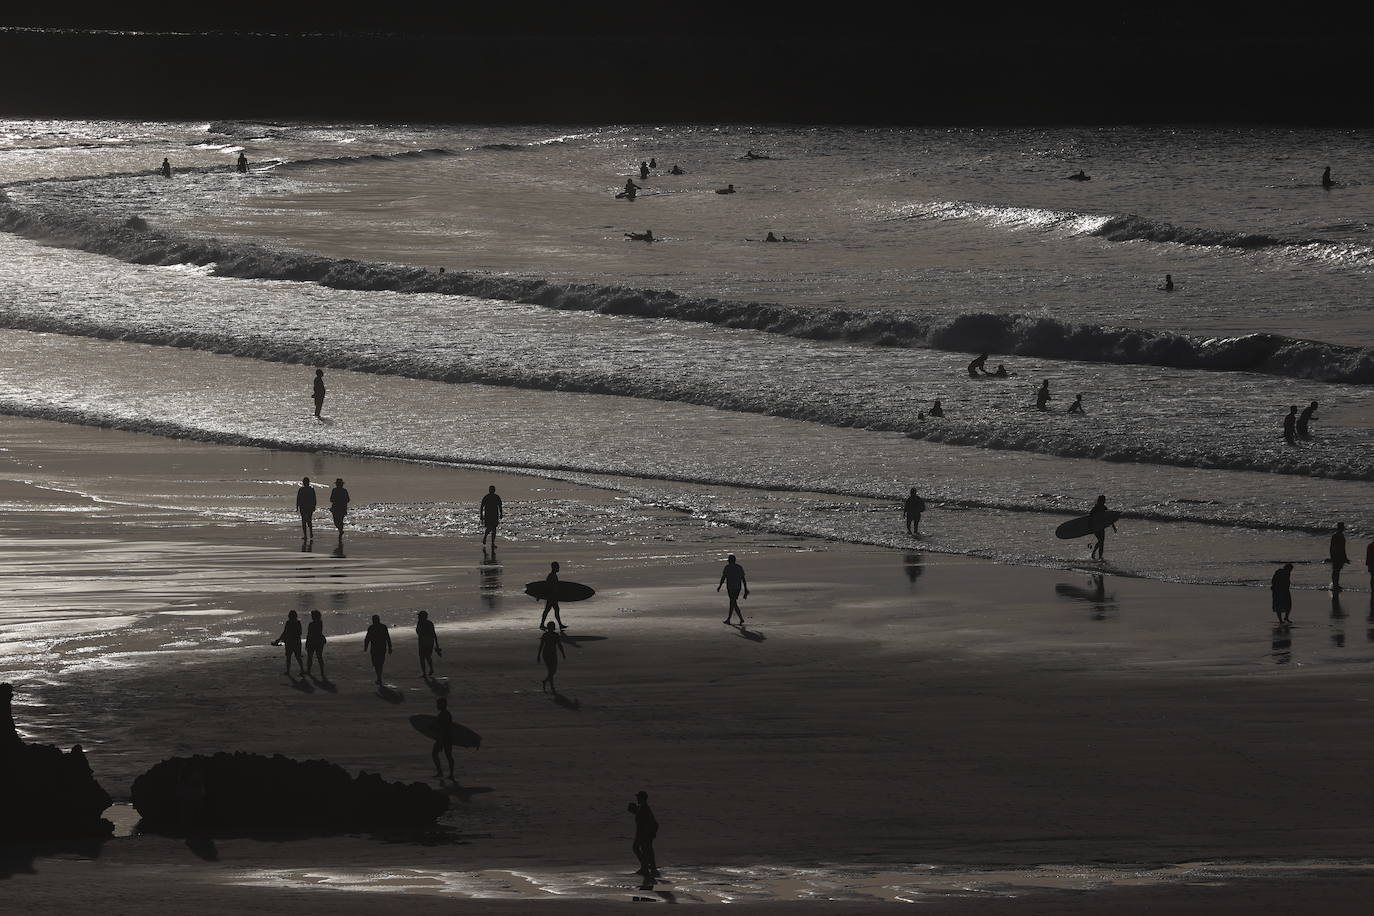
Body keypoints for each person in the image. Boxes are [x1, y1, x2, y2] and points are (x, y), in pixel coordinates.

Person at [629, 790, 659, 877]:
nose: (637, 798)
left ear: (642, 798)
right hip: (646, 833)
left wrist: (642, 835)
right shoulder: (643, 807)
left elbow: (643, 822)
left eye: (638, 797)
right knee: (646, 849)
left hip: (645, 833)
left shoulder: (644, 808)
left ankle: (646, 867)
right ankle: (648, 867)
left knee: (642, 849)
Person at [271, 610, 305, 676]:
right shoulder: (298, 623)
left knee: (289, 657)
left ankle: (288, 671)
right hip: (296, 642)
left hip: (289, 642)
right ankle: (301, 670)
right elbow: (299, 633)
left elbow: (285, 632)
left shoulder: (288, 623)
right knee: (297, 657)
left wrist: (279, 639)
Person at [717, 554, 749, 625]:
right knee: (732, 602)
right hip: (738, 588)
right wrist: (745, 589)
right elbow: (743, 579)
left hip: (730, 587)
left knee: (733, 602)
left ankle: (738, 619)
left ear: (729, 561)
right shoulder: (739, 567)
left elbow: (723, 578)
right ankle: (733, 619)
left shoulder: (727, 567)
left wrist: (720, 586)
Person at [363, 614, 392, 685]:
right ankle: (379, 677)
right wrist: (390, 647)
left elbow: (367, 638)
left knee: (376, 663)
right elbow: (387, 638)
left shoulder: (371, 627)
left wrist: (366, 647)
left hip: (375, 648)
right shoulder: (383, 627)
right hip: (382, 647)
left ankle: (379, 677)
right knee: (380, 663)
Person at [537, 621, 566, 693]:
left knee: (552, 670)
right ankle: (551, 686)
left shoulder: (547, 635)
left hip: (548, 654)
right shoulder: (553, 635)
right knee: (551, 670)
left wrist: (539, 655)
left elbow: (541, 646)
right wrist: (563, 653)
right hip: (549, 654)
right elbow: (559, 645)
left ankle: (546, 681)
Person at [431, 696, 455, 779]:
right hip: (444, 738)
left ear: (443, 705)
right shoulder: (444, 714)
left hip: (445, 738)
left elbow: (443, 727)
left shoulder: (444, 714)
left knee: (446, 755)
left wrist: (439, 737)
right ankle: (444, 773)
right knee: (440, 755)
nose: (437, 706)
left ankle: (447, 773)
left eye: (438, 704)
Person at [1088, 494, 1116, 562]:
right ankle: (1098, 556)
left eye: (1104, 500)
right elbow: (1089, 518)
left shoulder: (1104, 508)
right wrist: (1090, 528)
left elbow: (1108, 518)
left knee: (1101, 542)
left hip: (1101, 527)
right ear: (1100, 501)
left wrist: (1113, 527)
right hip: (1096, 527)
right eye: (1103, 500)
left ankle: (1097, 555)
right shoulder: (1095, 508)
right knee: (1101, 541)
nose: (1104, 501)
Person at [540, 561, 566, 630]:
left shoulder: (553, 575)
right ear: (554, 568)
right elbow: (547, 586)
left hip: (553, 597)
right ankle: (542, 624)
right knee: (548, 610)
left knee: (555, 610)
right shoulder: (551, 576)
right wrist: (542, 595)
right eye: (557, 567)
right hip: (551, 597)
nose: (559, 568)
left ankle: (560, 624)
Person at [416, 610, 441, 677]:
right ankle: (429, 670)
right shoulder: (426, 623)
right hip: (428, 643)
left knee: (423, 658)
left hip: (425, 643)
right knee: (427, 657)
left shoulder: (424, 623)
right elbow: (433, 634)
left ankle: (425, 672)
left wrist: (437, 645)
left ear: (422, 616)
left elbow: (433, 634)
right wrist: (437, 645)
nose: (418, 617)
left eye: (419, 616)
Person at [305, 610, 327, 678]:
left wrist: (307, 642)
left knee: (310, 657)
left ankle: (309, 671)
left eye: (312, 615)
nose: (311, 616)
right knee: (319, 656)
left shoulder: (311, 624)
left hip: (312, 641)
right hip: (319, 641)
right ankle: (322, 671)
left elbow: (309, 634)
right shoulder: (320, 622)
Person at [296, 477, 316, 542]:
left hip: (303, 507)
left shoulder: (301, 489)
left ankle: (305, 535)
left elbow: (298, 499)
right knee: (309, 520)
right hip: (309, 507)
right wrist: (314, 506)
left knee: (304, 521)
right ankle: (310, 533)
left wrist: (297, 507)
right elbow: (314, 499)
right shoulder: (311, 489)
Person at [1330, 522, 1349, 592]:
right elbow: (1342, 548)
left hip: (1335, 555)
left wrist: (1332, 556)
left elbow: (1331, 547)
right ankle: (1335, 585)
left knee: (1336, 571)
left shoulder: (1335, 535)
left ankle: (1335, 584)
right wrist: (1345, 557)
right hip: (1338, 556)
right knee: (1336, 571)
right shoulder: (1340, 536)